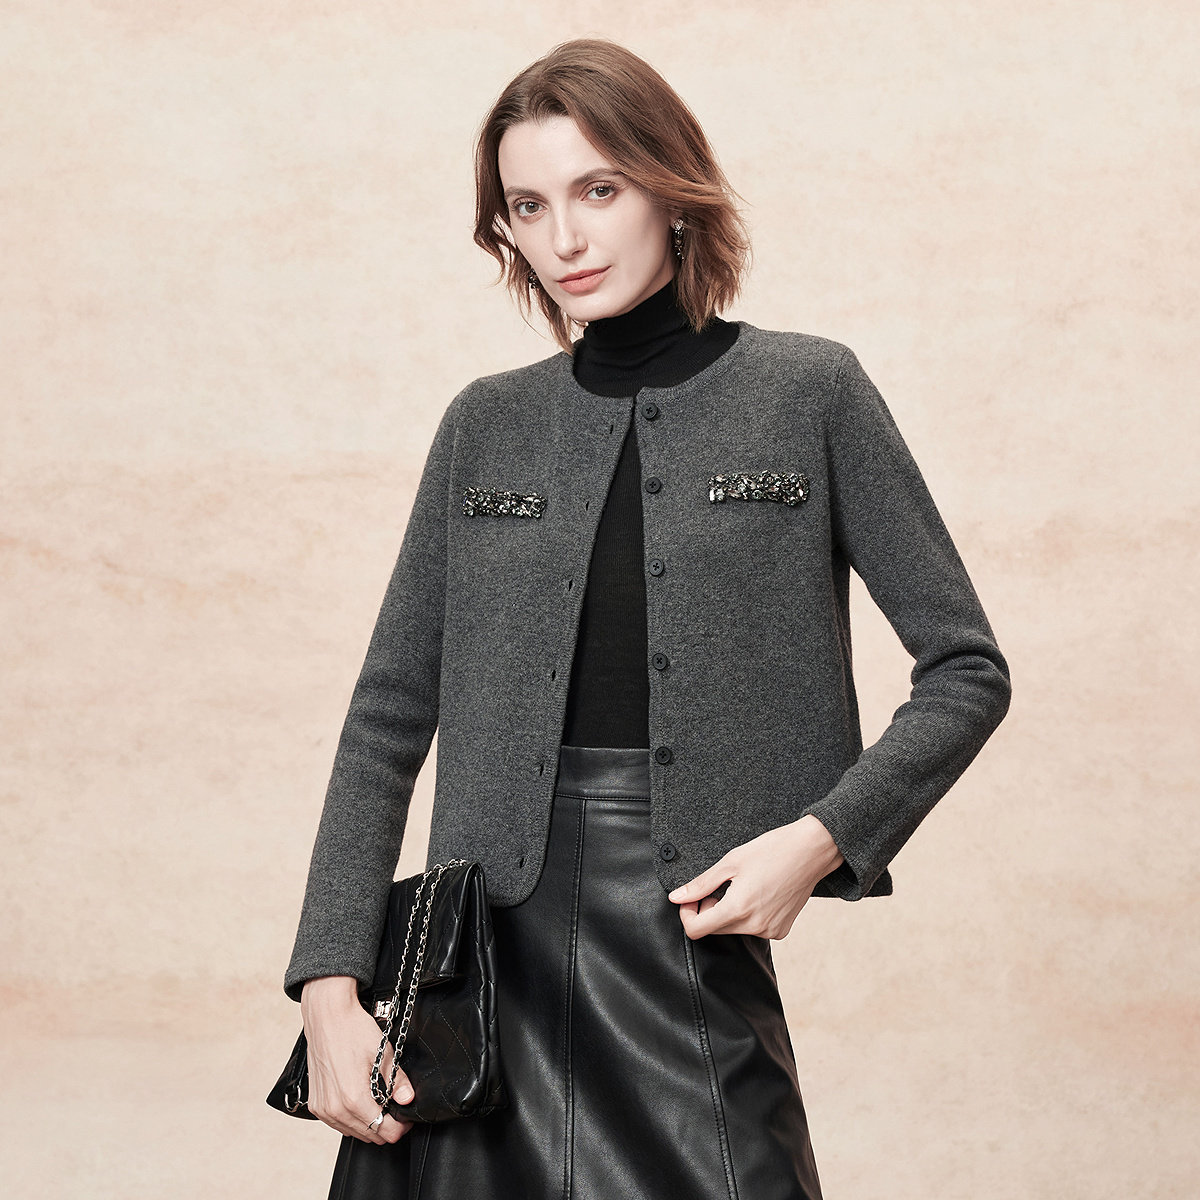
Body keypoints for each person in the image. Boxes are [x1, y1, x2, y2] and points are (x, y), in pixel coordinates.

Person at [281, 37, 1012, 1200]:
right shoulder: (485, 425)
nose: (564, 238)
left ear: (672, 191)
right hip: (475, 985)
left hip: (688, 949)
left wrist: (821, 837)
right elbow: (386, 721)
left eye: (599, 189)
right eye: (529, 206)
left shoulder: (810, 392)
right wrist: (329, 986)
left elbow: (967, 668)